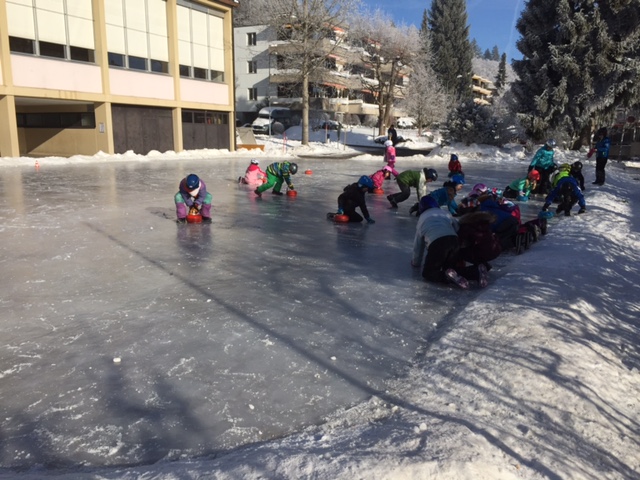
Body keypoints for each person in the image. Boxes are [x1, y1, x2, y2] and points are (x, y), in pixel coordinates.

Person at [411, 196, 488, 289]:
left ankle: (446, 278)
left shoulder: (422, 219)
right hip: (453, 240)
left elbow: (418, 244)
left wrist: (416, 262)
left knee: (428, 273)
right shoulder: (444, 212)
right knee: (451, 270)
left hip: (437, 243)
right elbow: (457, 226)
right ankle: (475, 272)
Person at [457, 210, 502, 278]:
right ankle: (484, 266)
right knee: (477, 252)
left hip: (481, 251)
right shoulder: (484, 225)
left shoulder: (466, 226)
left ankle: (464, 272)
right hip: (495, 250)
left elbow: (459, 240)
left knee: (458, 253)